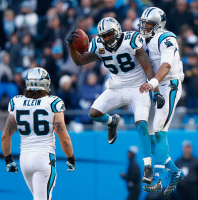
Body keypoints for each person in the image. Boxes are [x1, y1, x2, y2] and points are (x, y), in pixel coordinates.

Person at [66, 17, 165, 185]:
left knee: (141, 124)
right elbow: (79, 61)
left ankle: (148, 166)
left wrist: (155, 91)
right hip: (116, 87)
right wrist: (70, 46)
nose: (107, 39)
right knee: (94, 113)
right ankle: (112, 122)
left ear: (117, 30)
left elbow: (148, 66)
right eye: (104, 36)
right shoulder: (98, 44)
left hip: (138, 88)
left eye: (110, 34)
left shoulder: (131, 40)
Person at [1, 67, 76, 200]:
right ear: (46, 84)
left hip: (24, 159)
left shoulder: (16, 102)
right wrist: (70, 157)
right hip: (44, 158)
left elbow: (5, 136)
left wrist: (8, 160)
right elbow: (63, 137)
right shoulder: (53, 102)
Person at [138, 7, 185, 195]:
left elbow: (166, 64)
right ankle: (174, 171)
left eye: (149, 24)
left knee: (159, 131)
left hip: (168, 85)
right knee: (149, 133)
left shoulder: (166, 38)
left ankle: (157, 178)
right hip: (154, 86)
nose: (144, 27)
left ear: (159, 25)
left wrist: (154, 81)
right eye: (143, 23)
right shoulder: (144, 39)